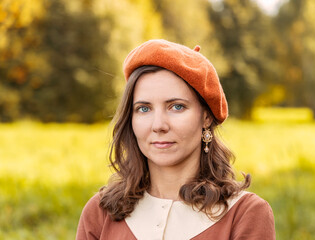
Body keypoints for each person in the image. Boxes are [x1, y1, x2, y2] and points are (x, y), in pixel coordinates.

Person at [76, 39, 275, 240]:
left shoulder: (245, 214)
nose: (158, 125)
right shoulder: (100, 213)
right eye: (144, 109)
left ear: (206, 116)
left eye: (176, 106)